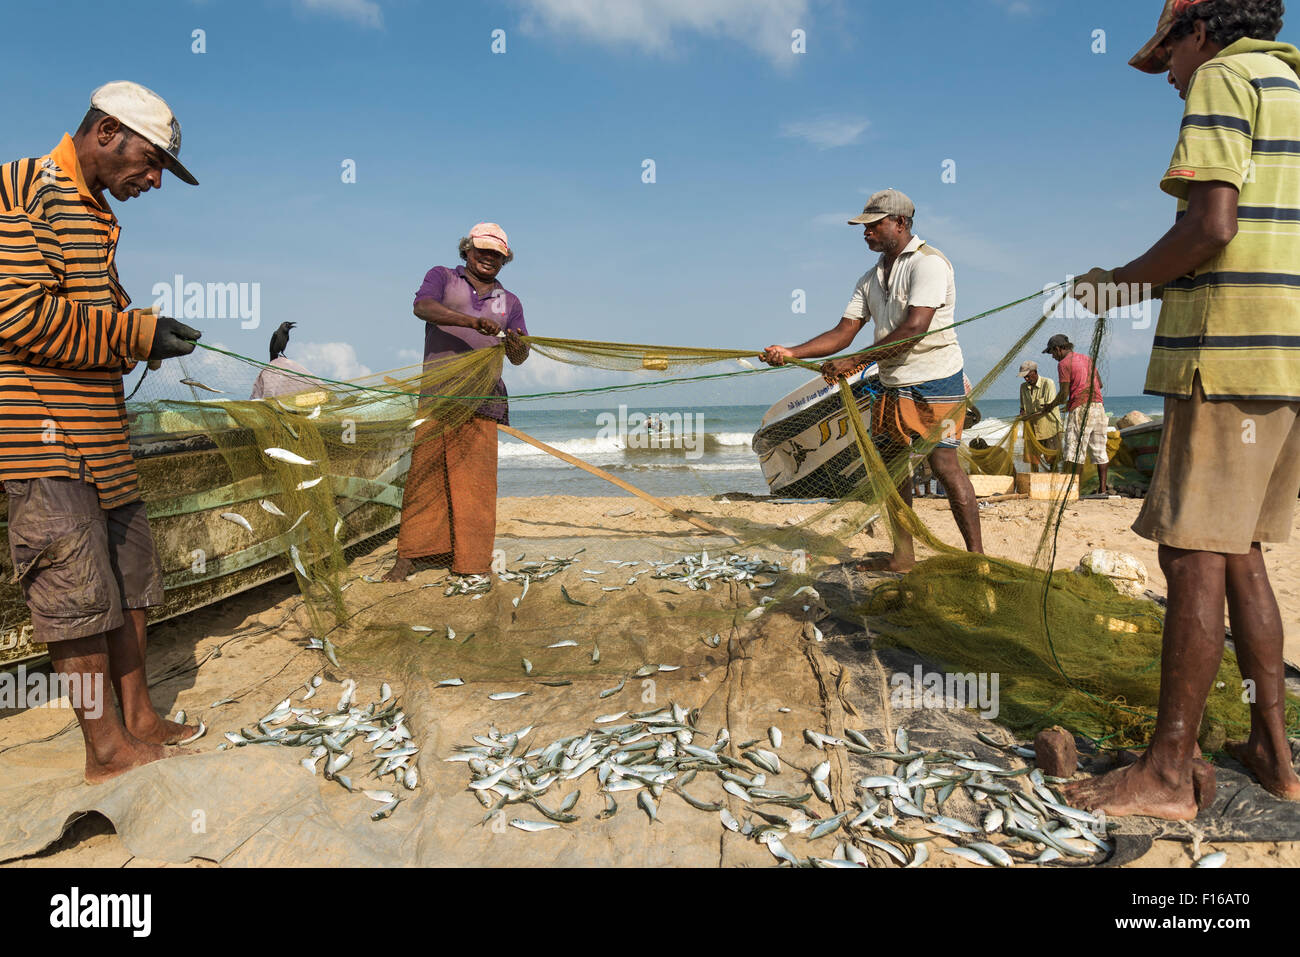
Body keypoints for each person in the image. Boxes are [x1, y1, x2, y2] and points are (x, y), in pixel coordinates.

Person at [1065, 0, 1300, 819]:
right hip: (1289, 358)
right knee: (1241, 550)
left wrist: (1115, 285)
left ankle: (1168, 771)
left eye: (1167, 52)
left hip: (1226, 351)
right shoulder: (1294, 87)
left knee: (1192, 553)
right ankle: (1273, 749)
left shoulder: (1223, 80)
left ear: (1199, 28)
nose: (1167, 76)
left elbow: (1211, 225)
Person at [0, 82, 204, 782]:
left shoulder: (95, 213)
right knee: (76, 598)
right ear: (107, 131)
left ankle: (140, 717)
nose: (151, 180)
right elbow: (20, 316)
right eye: (149, 163)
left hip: (105, 443)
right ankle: (106, 750)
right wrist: (140, 333)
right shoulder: (24, 186)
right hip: (44, 440)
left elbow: (90, 321)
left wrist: (139, 330)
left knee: (131, 582)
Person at [760, 189, 982, 572]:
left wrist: (857, 360)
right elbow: (844, 332)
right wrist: (793, 351)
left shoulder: (928, 264)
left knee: (945, 466)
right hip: (892, 381)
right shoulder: (871, 277)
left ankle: (978, 560)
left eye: (873, 225)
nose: (866, 232)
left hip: (935, 379)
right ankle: (903, 556)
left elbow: (915, 328)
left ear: (901, 223)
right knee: (892, 470)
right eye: (864, 226)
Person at [385, 224, 529, 582]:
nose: (489, 258)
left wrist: (516, 343)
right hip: (438, 393)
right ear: (467, 249)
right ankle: (412, 556)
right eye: (482, 250)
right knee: (424, 477)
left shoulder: (509, 301)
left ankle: (471, 563)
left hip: (484, 400)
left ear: (504, 259)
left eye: (497, 254)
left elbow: (520, 356)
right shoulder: (443, 277)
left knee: (475, 484)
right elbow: (422, 307)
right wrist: (470, 321)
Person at [1039, 334, 1110, 492]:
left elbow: (1063, 394)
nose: (1052, 356)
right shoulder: (1087, 359)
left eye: (1052, 352)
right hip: (1098, 406)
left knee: (1075, 450)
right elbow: (1100, 384)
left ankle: (1074, 491)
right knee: (1100, 450)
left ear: (1058, 349)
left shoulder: (1063, 364)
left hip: (1081, 409)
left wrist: (1050, 406)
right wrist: (1074, 401)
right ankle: (1103, 489)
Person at [250, 321, 318, 399]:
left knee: (280, 361)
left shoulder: (287, 335)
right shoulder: (276, 333)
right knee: (273, 364)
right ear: (283, 326)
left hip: (280, 352)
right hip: (274, 351)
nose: (290, 326)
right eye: (288, 324)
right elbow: (271, 347)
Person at [1018, 361, 1062, 472]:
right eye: (1024, 377)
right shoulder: (1023, 387)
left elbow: (1048, 408)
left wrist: (1028, 417)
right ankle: (1033, 483)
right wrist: (1022, 413)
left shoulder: (1048, 383)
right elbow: (1023, 407)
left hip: (1049, 428)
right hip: (1032, 430)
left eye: (1028, 376)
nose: (1026, 379)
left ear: (1035, 372)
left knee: (1052, 459)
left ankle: (1054, 483)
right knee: (1033, 460)